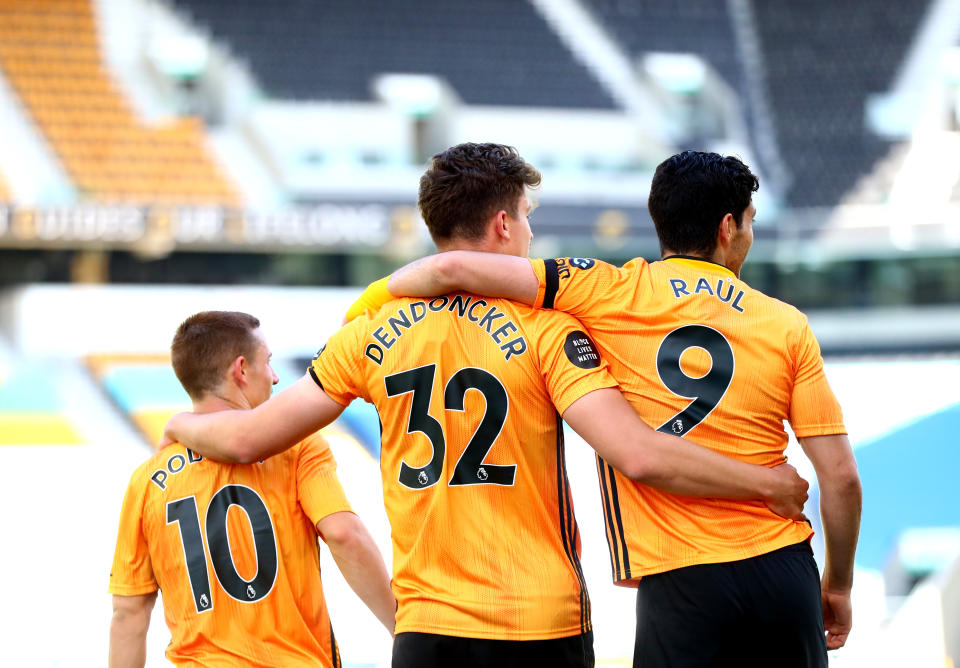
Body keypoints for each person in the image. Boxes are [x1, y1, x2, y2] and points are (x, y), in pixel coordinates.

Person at [162, 144, 808, 668]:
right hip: (540, 622)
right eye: (526, 216)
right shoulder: (549, 331)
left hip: (428, 627)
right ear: (503, 223)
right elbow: (637, 453)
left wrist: (180, 421)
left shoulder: (367, 334)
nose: (530, 231)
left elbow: (246, 440)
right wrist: (768, 484)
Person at [373, 149, 863, 667]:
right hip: (783, 572)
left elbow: (452, 267)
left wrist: (373, 300)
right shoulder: (786, 325)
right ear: (727, 227)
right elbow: (842, 478)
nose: (749, 235)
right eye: (750, 223)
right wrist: (838, 586)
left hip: (680, 581)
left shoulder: (605, 289)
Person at [108, 311, 394, 668]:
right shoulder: (297, 448)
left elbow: (128, 613)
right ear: (241, 370)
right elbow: (344, 535)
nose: (275, 377)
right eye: (269, 363)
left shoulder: (147, 480)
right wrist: (400, 627)